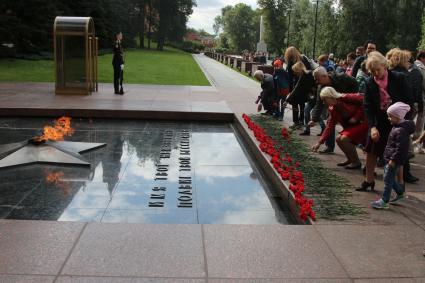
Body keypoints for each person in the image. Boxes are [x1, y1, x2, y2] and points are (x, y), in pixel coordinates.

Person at [357, 51, 413, 192]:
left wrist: (403, 122)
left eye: (378, 69)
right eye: (372, 71)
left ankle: (399, 184)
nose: (376, 73)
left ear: (385, 66)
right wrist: (373, 127)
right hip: (380, 119)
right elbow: (368, 106)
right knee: (371, 150)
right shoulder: (370, 82)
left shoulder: (398, 78)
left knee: (396, 153)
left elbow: (409, 101)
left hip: (398, 120)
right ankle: (369, 180)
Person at [371, 102, 415, 209]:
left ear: (398, 116)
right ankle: (400, 192)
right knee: (388, 177)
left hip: (394, 159)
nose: (388, 118)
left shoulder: (400, 130)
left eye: (390, 116)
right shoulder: (398, 126)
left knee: (387, 179)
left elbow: (400, 148)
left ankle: (385, 201)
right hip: (391, 158)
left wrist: (393, 160)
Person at [311, 87, 368, 169]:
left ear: (330, 96)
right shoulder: (332, 109)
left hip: (364, 122)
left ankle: (356, 162)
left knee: (344, 139)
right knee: (338, 139)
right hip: (353, 126)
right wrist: (319, 142)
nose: (324, 103)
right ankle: (351, 159)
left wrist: (356, 116)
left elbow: (365, 101)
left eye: (324, 100)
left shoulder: (345, 97)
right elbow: (329, 126)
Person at [309, 66, 359, 154]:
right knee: (330, 123)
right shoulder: (321, 87)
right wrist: (314, 119)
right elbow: (319, 103)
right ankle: (330, 146)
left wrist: (350, 98)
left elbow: (355, 84)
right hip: (337, 106)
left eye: (317, 79)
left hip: (351, 104)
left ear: (324, 76)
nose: (317, 82)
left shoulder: (342, 77)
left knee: (347, 135)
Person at [285, 62, 321, 136]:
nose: (294, 73)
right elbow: (296, 88)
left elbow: (318, 84)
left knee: (316, 114)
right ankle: (307, 130)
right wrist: (287, 100)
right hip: (312, 97)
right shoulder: (302, 76)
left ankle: (323, 129)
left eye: (295, 71)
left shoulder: (310, 74)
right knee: (307, 112)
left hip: (318, 96)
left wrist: (314, 91)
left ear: (299, 69)